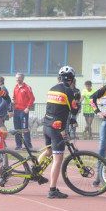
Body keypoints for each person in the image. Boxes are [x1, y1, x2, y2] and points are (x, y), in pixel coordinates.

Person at [36, 67, 79, 199]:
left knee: (48, 151)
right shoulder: (69, 91)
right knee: (58, 159)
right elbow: (74, 110)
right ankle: (52, 189)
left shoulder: (52, 89)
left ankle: (35, 171)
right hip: (57, 128)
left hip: (46, 125)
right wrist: (76, 100)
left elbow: (58, 107)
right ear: (71, 79)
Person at [11, 72, 35, 149]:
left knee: (24, 129)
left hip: (23, 111)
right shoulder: (15, 87)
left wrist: (28, 107)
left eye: (19, 77)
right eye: (17, 78)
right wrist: (13, 102)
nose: (18, 79)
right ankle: (18, 145)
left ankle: (28, 145)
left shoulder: (27, 87)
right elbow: (14, 98)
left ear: (23, 78)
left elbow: (32, 98)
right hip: (16, 111)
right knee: (17, 129)